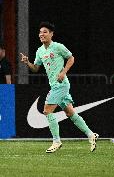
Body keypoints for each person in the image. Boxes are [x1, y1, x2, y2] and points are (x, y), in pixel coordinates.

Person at [20, 21, 99, 153]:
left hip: (61, 85)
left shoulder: (58, 47)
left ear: (51, 34)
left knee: (47, 111)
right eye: (40, 32)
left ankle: (56, 141)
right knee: (69, 112)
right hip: (55, 85)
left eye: (45, 32)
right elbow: (35, 68)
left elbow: (71, 58)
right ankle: (91, 135)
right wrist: (27, 62)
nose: (41, 34)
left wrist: (63, 72)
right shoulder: (40, 51)